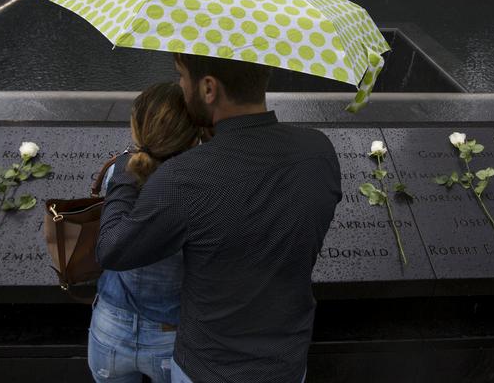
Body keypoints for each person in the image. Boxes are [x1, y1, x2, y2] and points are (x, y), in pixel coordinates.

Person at [98, 54, 342, 383]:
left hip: (206, 367)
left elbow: (113, 249)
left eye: (182, 77)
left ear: (209, 88)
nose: (181, 87)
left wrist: (125, 174)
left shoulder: (184, 177)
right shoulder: (319, 150)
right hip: (287, 363)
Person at [89, 82, 202, 383]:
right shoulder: (200, 186)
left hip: (110, 327)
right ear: (193, 136)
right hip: (171, 335)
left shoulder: (120, 172)